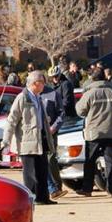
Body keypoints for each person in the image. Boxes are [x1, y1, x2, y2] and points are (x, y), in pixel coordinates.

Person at [2, 71, 55, 205]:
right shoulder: (22, 98)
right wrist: (6, 141)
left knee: (42, 169)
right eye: (42, 82)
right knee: (30, 173)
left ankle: (43, 197)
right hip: (27, 140)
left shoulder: (38, 97)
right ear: (35, 83)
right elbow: (11, 120)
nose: (44, 85)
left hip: (40, 139)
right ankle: (30, 198)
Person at [76, 69, 112, 196]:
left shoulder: (90, 93)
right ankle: (111, 190)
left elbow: (80, 111)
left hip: (94, 132)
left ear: (93, 79)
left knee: (90, 161)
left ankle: (87, 189)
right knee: (111, 161)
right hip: (111, 131)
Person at [41, 68, 66, 198]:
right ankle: (46, 188)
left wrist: (54, 127)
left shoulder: (53, 94)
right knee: (39, 160)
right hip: (36, 133)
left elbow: (61, 113)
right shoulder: (30, 95)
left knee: (51, 159)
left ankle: (56, 185)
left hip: (50, 132)